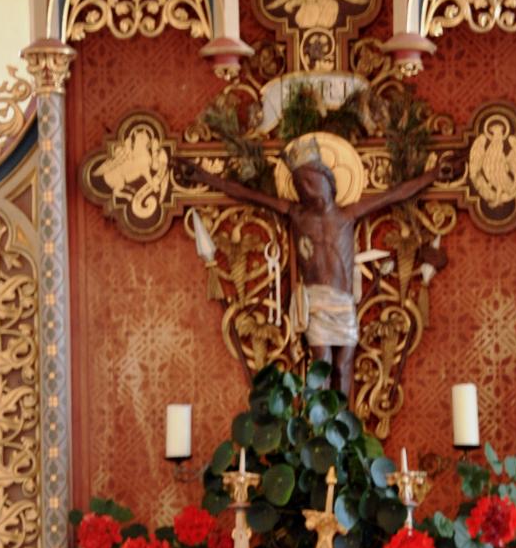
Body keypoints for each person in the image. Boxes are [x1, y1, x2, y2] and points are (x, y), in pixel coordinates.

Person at [173, 144, 435, 398]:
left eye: (311, 181)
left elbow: (397, 193)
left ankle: (341, 427)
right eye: (300, 186)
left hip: (343, 302)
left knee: (343, 364)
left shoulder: (347, 215)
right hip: (316, 300)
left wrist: (434, 175)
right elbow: (245, 194)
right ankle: (321, 426)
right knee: (322, 360)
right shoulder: (296, 214)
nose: (307, 190)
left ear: (328, 180)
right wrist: (206, 177)